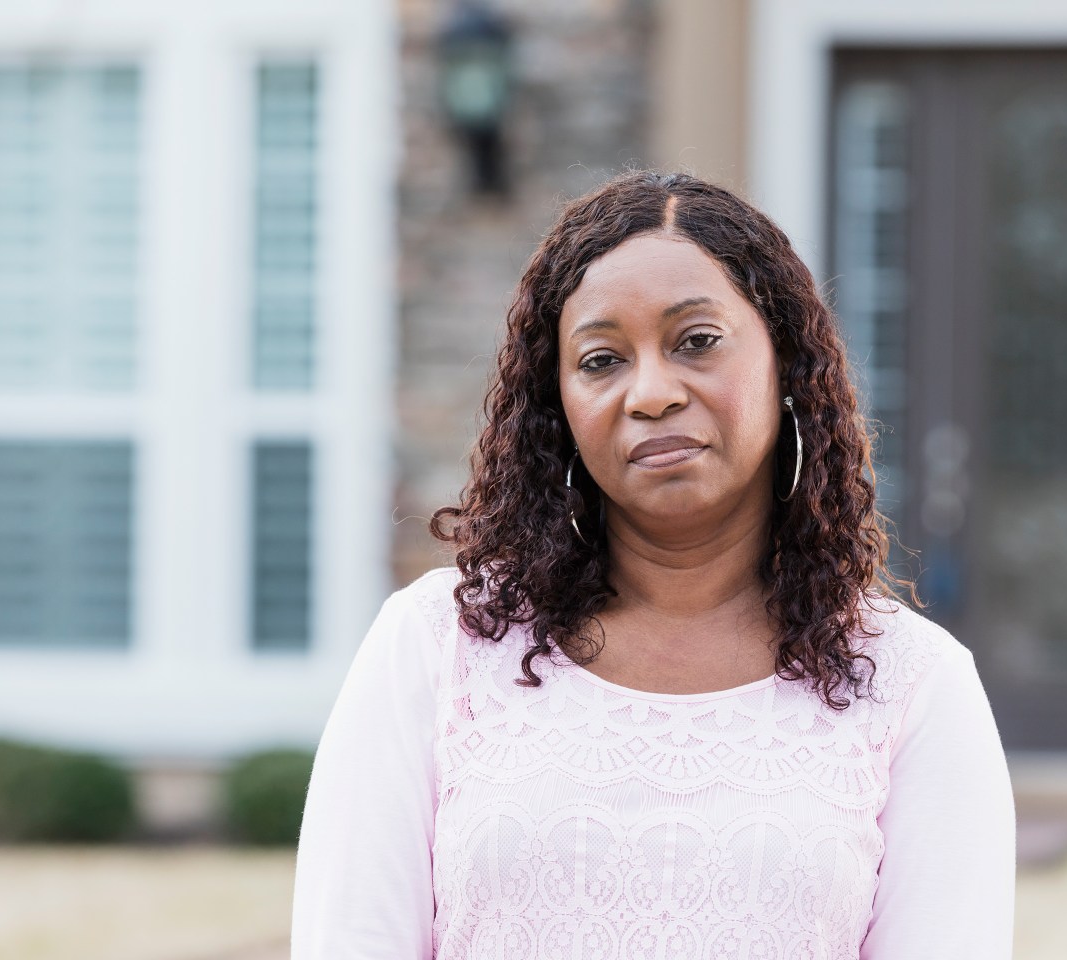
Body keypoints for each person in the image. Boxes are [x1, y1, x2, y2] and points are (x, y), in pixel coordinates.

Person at [290, 171, 1015, 959]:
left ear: (787, 368)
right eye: (601, 360)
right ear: (557, 405)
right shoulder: (438, 646)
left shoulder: (911, 684)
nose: (651, 392)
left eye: (696, 342)